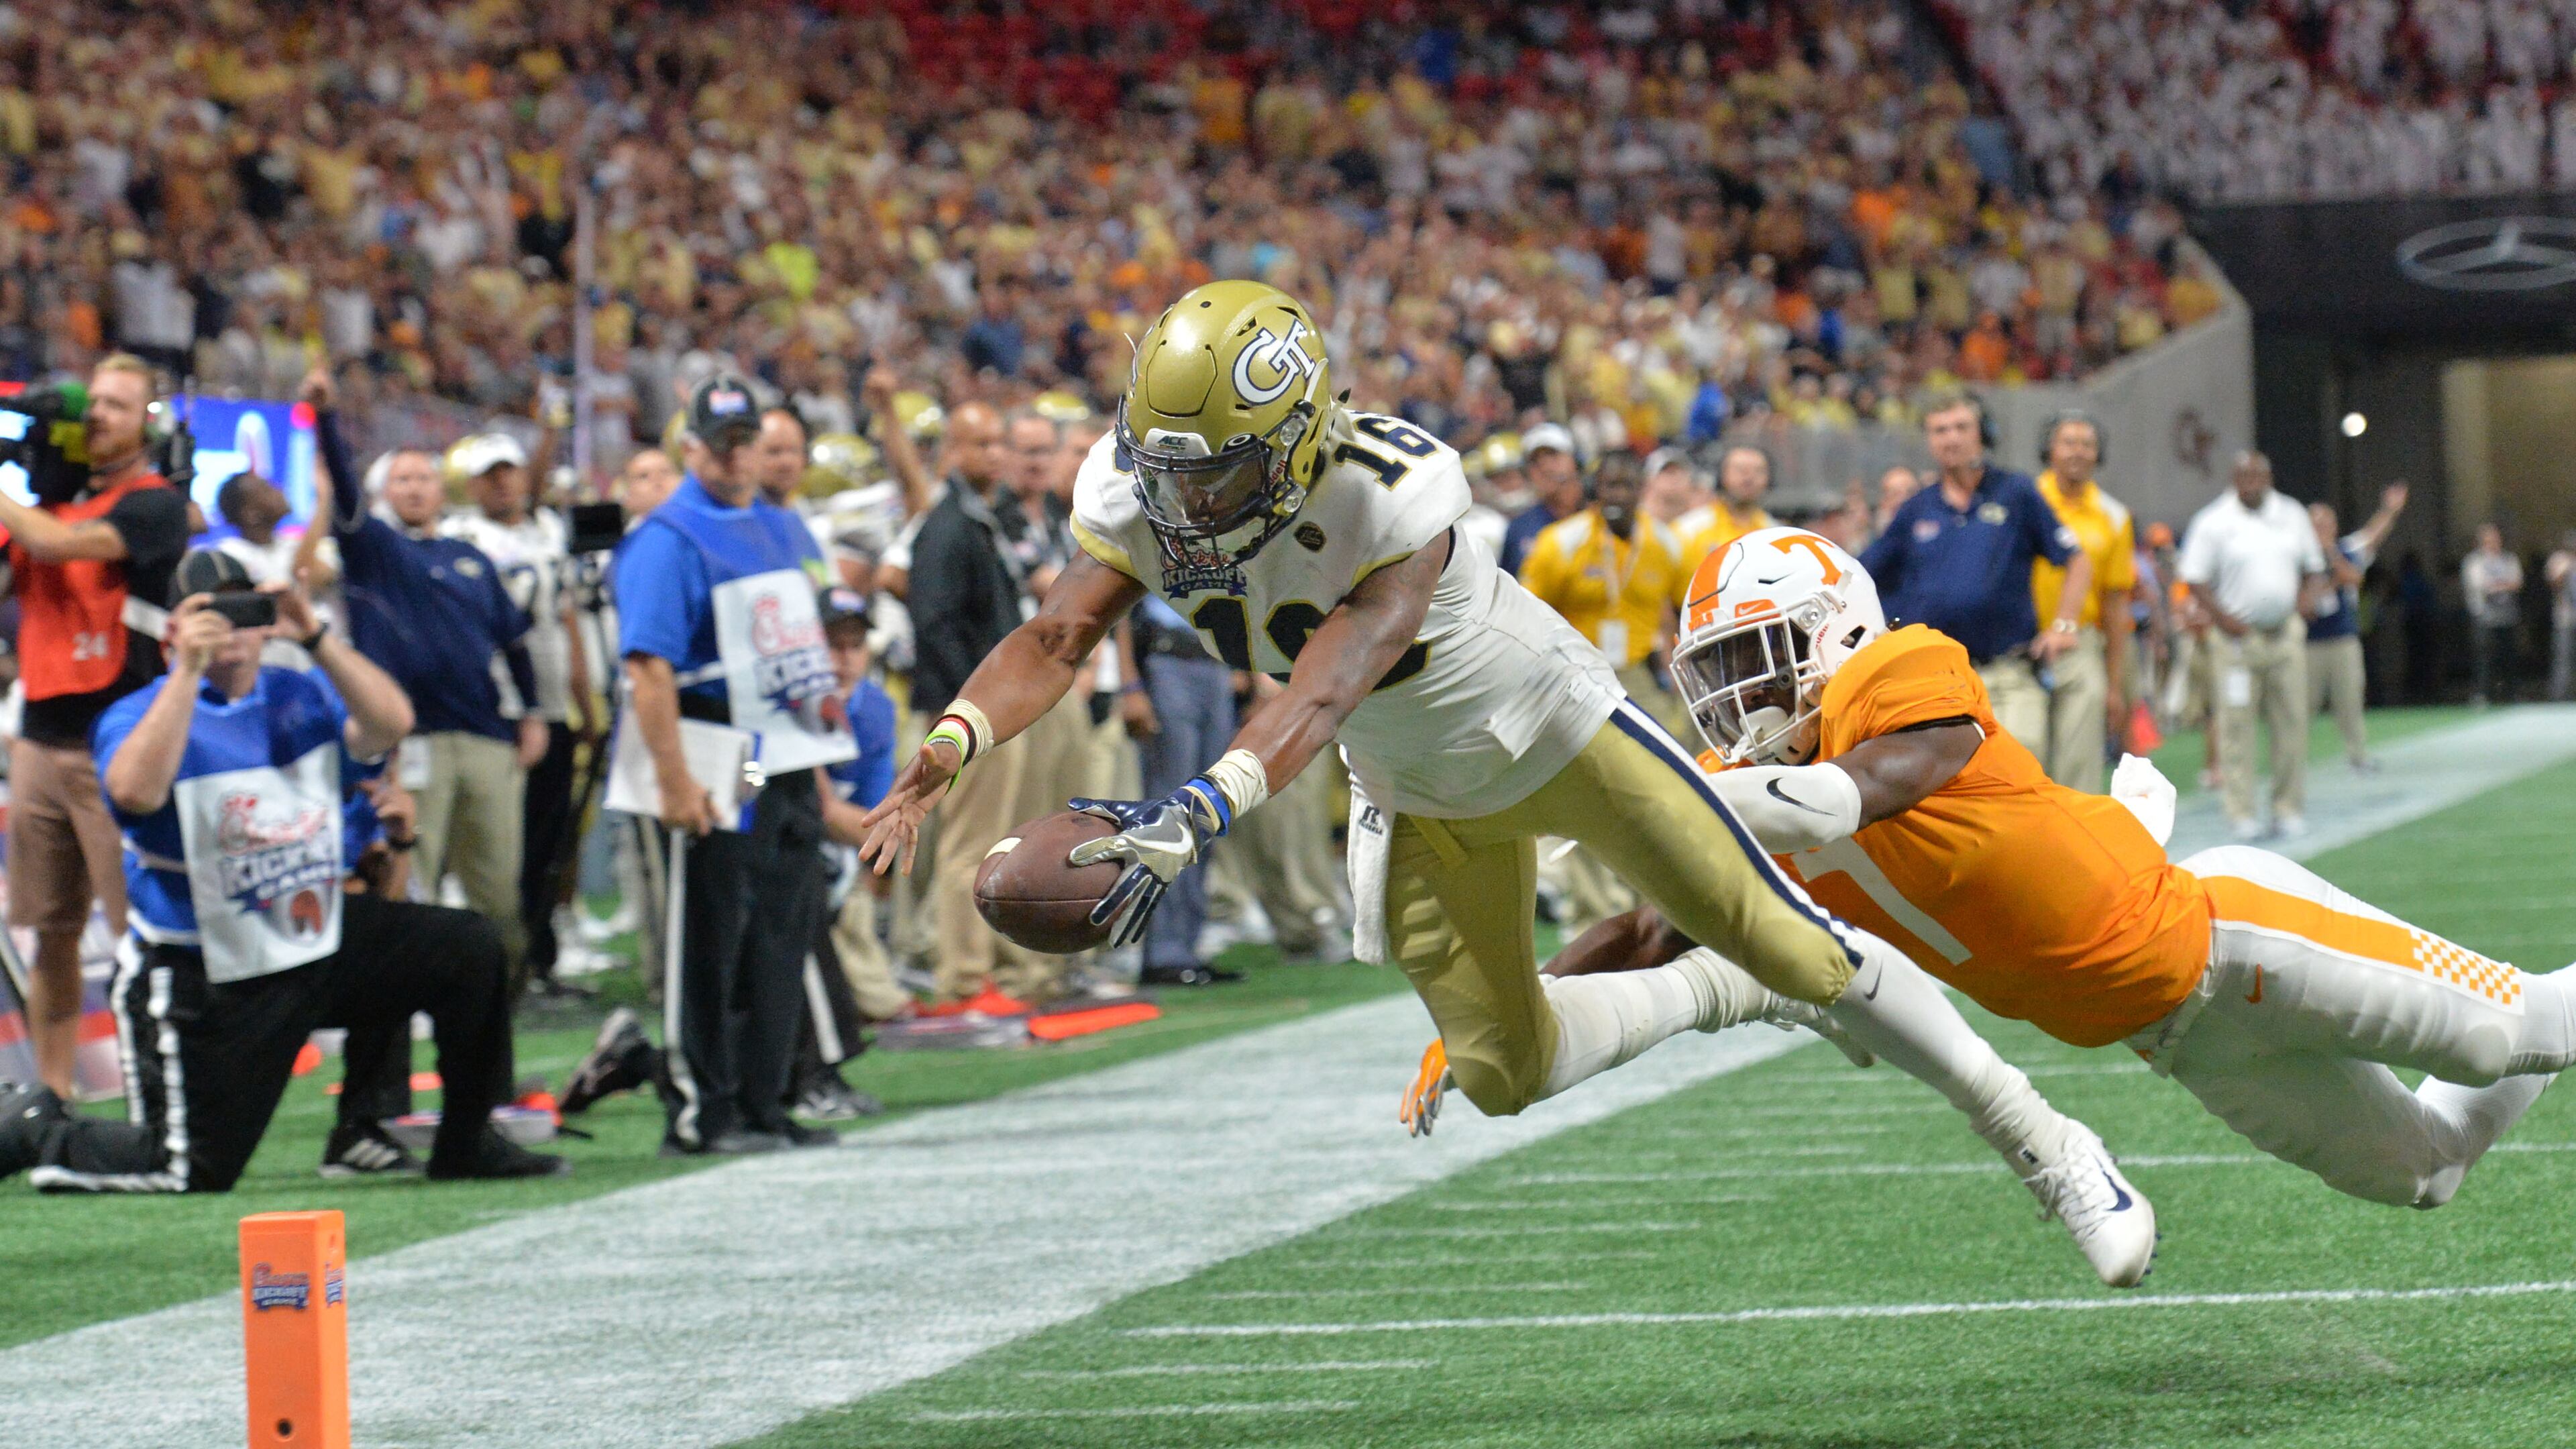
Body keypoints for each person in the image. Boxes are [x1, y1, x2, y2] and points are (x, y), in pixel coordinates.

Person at [859, 281, 1895, 1138]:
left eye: (1217, 475)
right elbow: (1053, 638)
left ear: (1298, 442)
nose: (1184, 504)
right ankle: (1735, 986)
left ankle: (1996, 1092)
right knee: (1500, 1076)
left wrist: (1198, 809)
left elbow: (1326, 683)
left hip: (1541, 711)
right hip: (1408, 768)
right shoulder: (1134, 490)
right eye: (1167, 468)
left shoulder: (1389, 490)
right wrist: (953, 739)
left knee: (1791, 942)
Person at [1594, 525, 2576, 1230]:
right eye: (1721, 671)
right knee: (2423, 1174)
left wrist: (1667, 801)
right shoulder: (1732, 789)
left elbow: (1861, 791)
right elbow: (1646, 934)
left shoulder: (1897, 674)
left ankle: (2541, 1010)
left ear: (1835, 632)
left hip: (2228, 935)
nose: (1740, 698)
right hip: (2176, 1036)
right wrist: (1506, 1017)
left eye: (1758, 662)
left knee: (2521, 1032)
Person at [0, 551, 561, 1191]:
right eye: (208, 614)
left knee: (464, 947)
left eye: (244, 611)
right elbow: (134, 793)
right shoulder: (139, 714)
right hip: (207, 970)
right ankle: (32, 1127)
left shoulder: (301, 694)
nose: (229, 630)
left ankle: (461, 1140)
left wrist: (315, 635)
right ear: (170, 629)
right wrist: (188, 670)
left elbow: (391, 723)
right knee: (189, 1169)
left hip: (309, 938)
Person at [608, 374, 859, 1155]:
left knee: (783, 926)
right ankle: (702, 1110)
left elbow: (816, 637)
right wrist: (677, 780)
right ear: (689, 448)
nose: (738, 455)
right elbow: (648, 668)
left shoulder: (785, 528)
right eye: (721, 443)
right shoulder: (668, 537)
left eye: (746, 439)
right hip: (725, 751)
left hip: (783, 751)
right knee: (712, 928)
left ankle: (764, 1100)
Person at [306, 372, 549, 971]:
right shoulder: (374, 554)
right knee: (414, 871)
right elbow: (344, 493)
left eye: (424, 478)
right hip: (409, 742)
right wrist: (327, 422)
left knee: (497, 877)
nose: (415, 488)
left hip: (485, 734)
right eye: (403, 479)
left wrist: (534, 713)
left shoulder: (472, 558)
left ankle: (504, 989)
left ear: (442, 491)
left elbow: (515, 642)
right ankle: (413, 992)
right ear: (384, 493)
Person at [0, 354, 189, 1097]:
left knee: (140, 928)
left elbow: (62, 546)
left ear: (146, 422)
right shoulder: (54, 507)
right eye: (93, 405)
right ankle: (53, 1092)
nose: (97, 417)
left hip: (120, 742)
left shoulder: (153, 504)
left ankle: (158, 1086)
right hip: (41, 741)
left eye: (115, 405)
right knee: (50, 932)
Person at [904, 400, 1057, 1003]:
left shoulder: (979, 520)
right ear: (952, 453)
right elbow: (932, 624)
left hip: (984, 713)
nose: (993, 454)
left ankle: (984, 971)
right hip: (967, 716)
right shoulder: (947, 526)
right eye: (980, 444)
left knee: (989, 842)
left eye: (999, 443)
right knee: (969, 848)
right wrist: (967, 712)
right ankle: (964, 980)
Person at [441, 431, 596, 991]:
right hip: (498, 709)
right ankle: (496, 963)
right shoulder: (459, 538)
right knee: (499, 844)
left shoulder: (549, 534)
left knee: (550, 841)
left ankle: (540, 955)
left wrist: (585, 703)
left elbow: (568, 623)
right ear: (472, 484)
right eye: (491, 473)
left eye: (510, 470)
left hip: (552, 704)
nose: (504, 481)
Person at [1860, 394, 2092, 758]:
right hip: (1937, 683)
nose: (1951, 438)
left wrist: (2064, 626)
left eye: (1961, 427)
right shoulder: (1915, 510)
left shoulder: (2016, 492)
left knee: (2022, 768)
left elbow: (2077, 559)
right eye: (1940, 431)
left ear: (1982, 433)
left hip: (2008, 673)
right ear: (1930, 441)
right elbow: (1862, 576)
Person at [2178, 452, 2326, 840]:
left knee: (2292, 722)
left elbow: (2313, 566)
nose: (2252, 482)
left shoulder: (2291, 514)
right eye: (2245, 476)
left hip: (2284, 634)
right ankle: (2241, 811)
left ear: (2269, 477)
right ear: (2234, 478)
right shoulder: (2214, 521)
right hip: (2235, 642)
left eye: (2259, 475)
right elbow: (2194, 577)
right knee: (2236, 727)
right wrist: (2222, 617)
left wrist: (2306, 600)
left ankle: (2287, 808)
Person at [2028, 413, 2136, 792]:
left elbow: (2115, 604)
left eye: (2087, 444)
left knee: (2079, 761)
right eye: (2068, 442)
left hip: (2081, 644)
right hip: (2023, 643)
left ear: (2099, 454)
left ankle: (2074, 845)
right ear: (2050, 450)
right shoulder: (2025, 500)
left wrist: (2114, 683)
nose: (2078, 451)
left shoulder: (2115, 516)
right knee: (2025, 757)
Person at [2306, 484, 2408, 769]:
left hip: (2342, 638)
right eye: (2316, 524)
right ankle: (2294, 760)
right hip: (2309, 643)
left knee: (2350, 699)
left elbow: (2372, 539)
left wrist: (2389, 510)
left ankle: (2358, 755)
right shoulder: (2298, 556)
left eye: (2325, 523)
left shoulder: (2345, 550)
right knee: (2302, 706)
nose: (2321, 529)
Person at [1495, 423, 1580, 578]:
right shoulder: (1519, 530)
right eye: (1535, 462)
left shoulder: (1598, 516)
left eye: (1553, 455)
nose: (1545, 467)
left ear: (1574, 460)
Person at [1677, 445, 1776, 567]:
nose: (1749, 478)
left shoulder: (1774, 532)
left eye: (1758, 471)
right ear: (1721, 475)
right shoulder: (1689, 529)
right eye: (1741, 470)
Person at [2463, 523, 2524, 706]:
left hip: (2506, 617)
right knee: (2484, 657)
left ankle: (2510, 693)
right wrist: (2502, 585)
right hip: (2484, 617)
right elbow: (2480, 585)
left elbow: (2517, 582)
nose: (2493, 542)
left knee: (2508, 656)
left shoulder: (2509, 559)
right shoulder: (2474, 561)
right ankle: (2483, 693)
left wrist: (2498, 585)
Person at [2548, 530, 2576, 702]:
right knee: (2563, 659)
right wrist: (2567, 568)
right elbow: (2554, 583)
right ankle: (2560, 696)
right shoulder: (2559, 560)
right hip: (2565, 617)